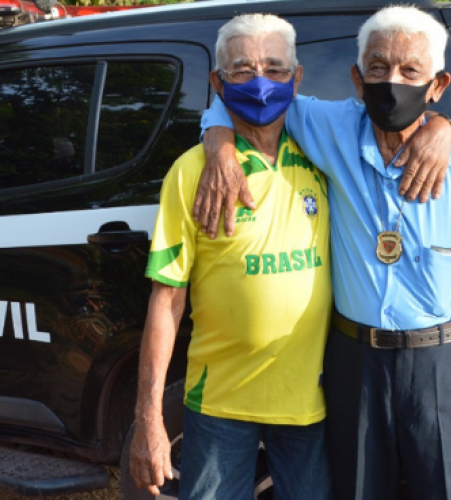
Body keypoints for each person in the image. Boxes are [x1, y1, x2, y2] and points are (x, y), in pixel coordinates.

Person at [196, 6, 451, 500]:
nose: (391, 81)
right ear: (357, 78)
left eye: (410, 71)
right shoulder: (327, 128)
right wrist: (218, 143)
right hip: (355, 366)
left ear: (437, 85)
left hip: (445, 364)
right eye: (377, 68)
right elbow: (249, 94)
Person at [128, 14, 334, 500]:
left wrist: (442, 128)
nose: (260, 82)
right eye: (242, 71)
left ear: (297, 78)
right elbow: (167, 301)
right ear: (217, 82)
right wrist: (149, 420)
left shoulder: (324, 154)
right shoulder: (192, 172)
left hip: (311, 403)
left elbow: (398, 131)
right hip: (219, 404)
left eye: (275, 69)